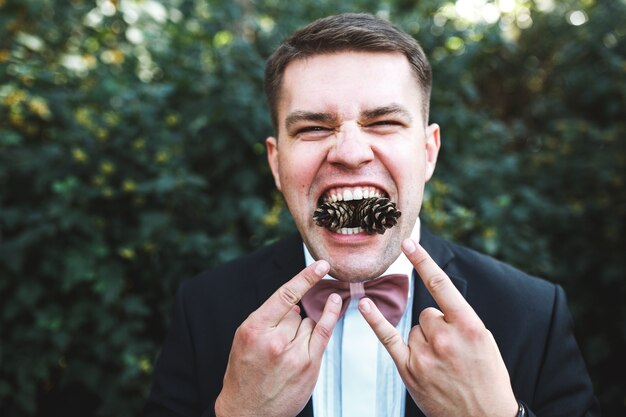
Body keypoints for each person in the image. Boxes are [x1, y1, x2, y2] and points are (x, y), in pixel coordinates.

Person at [143, 13, 599, 417]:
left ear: (428, 152)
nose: (349, 152)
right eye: (314, 127)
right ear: (276, 163)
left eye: (383, 122)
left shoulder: (533, 312)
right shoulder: (204, 308)